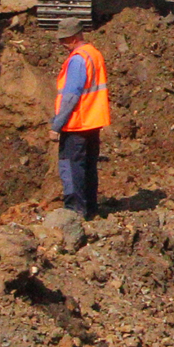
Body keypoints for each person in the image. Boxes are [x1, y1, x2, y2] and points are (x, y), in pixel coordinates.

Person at [50, 17, 109, 219]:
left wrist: (57, 124)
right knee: (88, 168)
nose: (62, 45)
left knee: (72, 167)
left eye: (64, 40)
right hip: (92, 122)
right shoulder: (94, 54)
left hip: (77, 123)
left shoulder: (77, 59)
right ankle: (90, 210)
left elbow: (71, 96)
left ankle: (75, 213)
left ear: (74, 38)